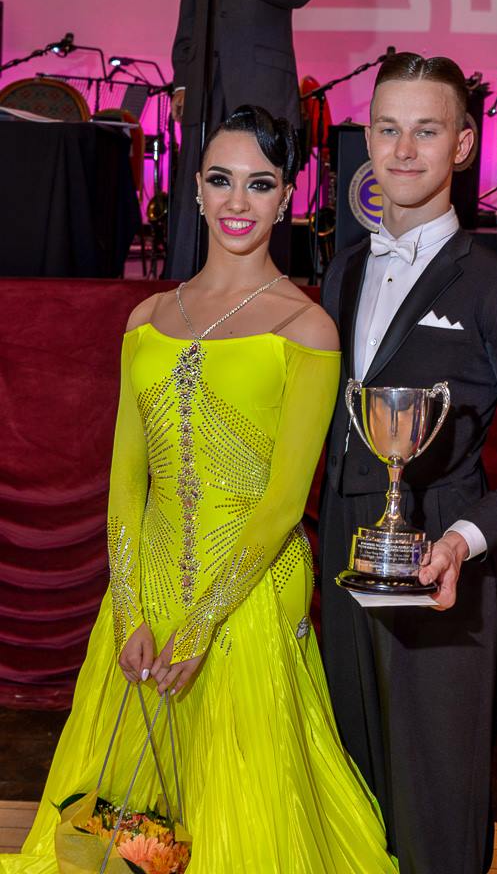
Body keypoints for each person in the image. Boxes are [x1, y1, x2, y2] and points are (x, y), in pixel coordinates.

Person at [2, 107, 396, 874]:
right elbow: (126, 477)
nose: (237, 201)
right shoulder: (147, 318)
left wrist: (206, 620)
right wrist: (129, 608)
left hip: (250, 589)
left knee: (236, 798)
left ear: (287, 197)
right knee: (129, 804)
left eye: (260, 184)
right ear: (195, 190)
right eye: (221, 179)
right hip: (146, 585)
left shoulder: (306, 329)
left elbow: (284, 502)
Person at [319, 53, 497, 874]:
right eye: (388, 129)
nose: (402, 151)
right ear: (368, 138)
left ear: (463, 145)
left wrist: (464, 540)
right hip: (343, 557)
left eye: (425, 132)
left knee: (437, 820)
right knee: (353, 804)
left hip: (442, 572)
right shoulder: (343, 270)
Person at [167, 0, 316, 280]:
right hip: (203, 79)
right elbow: (190, 12)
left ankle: (262, 288)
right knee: (194, 187)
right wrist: (182, 81)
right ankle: (186, 283)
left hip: (261, 81)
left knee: (262, 180)